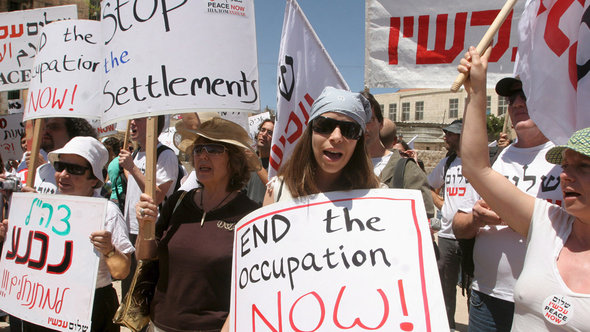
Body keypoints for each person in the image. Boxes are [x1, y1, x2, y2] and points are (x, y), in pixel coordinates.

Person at [458, 46, 590, 331]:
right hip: (487, 297)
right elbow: (476, 168)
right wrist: (476, 90)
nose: (566, 176)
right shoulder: (548, 223)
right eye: (565, 166)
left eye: (584, 167)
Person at [453, 76, 563, 331]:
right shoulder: (489, 159)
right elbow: (458, 226)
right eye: (511, 98)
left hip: (547, 301)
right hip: (487, 298)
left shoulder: (568, 160)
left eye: (526, 95)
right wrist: (476, 218)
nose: (517, 103)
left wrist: (514, 217)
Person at [134, 118, 260, 331]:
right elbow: (144, 256)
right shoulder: (178, 202)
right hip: (159, 324)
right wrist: (143, 226)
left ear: (235, 160)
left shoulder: (249, 215)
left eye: (213, 149)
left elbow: (254, 286)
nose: (202, 155)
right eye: (198, 148)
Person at [2, 136, 133, 332]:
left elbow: (121, 272)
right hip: (46, 307)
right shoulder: (41, 206)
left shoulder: (107, 212)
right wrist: (12, 231)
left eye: (75, 169)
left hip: (90, 310)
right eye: (60, 166)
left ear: (94, 179)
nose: (63, 175)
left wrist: (109, 250)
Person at [264, 86, 380, 204]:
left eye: (349, 130)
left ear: (359, 140)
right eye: (325, 125)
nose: (336, 137)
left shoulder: (377, 196)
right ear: (310, 132)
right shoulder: (276, 191)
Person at [427, 119, 479, 330]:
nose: (445, 137)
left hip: (473, 235)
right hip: (447, 236)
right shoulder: (446, 163)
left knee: (474, 288)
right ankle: (446, 326)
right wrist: (443, 205)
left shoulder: (480, 162)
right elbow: (429, 185)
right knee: (445, 288)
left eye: (450, 133)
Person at [119, 116, 179, 297]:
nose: (132, 123)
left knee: (144, 294)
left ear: (153, 124)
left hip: (149, 232)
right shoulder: (136, 154)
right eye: (132, 119)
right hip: (130, 229)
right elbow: (136, 186)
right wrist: (129, 167)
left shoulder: (165, 155)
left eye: (139, 119)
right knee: (129, 293)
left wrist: (133, 168)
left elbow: (158, 195)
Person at [362, 91, 434, 218]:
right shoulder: (342, 168)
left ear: (381, 123)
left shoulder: (405, 169)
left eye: (369, 119)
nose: (363, 126)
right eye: (357, 119)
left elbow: (424, 216)